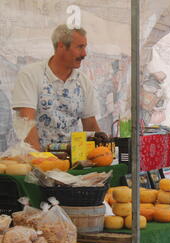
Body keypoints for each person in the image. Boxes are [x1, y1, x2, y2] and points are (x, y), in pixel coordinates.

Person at [11, 24, 105, 152]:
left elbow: (90, 124)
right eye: (79, 47)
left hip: (73, 160)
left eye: (85, 47)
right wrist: (41, 162)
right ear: (61, 46)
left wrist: (102, 152)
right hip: (34, 160)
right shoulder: (30, 75)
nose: (84, 54)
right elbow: (26, 123)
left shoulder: (83, 82)